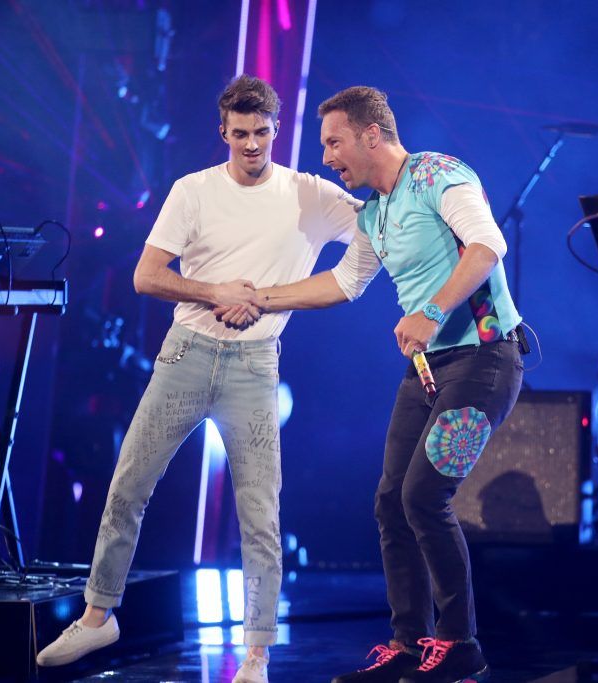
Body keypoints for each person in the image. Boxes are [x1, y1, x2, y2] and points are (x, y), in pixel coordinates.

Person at [36, 75, 363, 683]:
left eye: (261, 133)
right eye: (239, 134)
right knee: (127, 485)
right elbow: (146, 276)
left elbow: (378, 231)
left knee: (260, 516)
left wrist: (265, 298)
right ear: (224, 132)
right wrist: (216, 289)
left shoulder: (311, 195)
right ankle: (97, 617)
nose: (250, 145)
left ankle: (256, 657)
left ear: (275, 131)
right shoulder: (193, 190)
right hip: (185, 353)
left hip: (255, 362)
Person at [224, 86, 524, 683]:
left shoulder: (439, 174)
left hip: (487, 362)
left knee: (424, 497)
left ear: (371, 135)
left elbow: (489, 246)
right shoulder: (376, 211)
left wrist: (431, 312)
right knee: (390, 501)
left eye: (334, 143)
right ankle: (409, 645)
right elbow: (342, 282)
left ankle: (460, 644)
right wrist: (259, 297)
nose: (328, 157)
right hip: (428, 372)